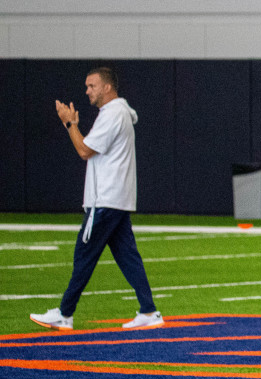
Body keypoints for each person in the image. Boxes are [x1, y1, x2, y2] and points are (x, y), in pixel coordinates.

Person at [30, 67, 163, 332]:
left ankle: (64, 313)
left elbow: (84, 150)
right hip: (116, 199)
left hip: (105, 200)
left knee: (84, 254)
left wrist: (70, 124)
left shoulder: (112, 114)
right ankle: (148, 311)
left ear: (107, 88)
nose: (87, 91)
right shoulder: (117, 113)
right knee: (128, 257)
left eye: (92, 86)